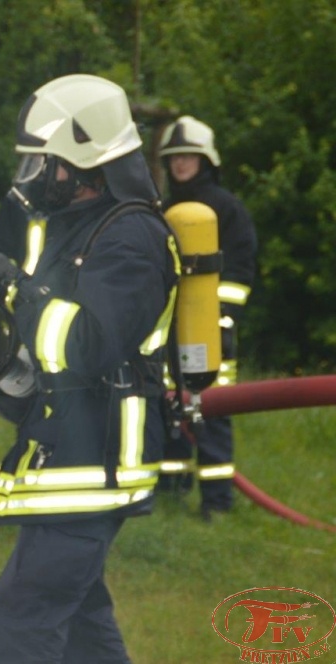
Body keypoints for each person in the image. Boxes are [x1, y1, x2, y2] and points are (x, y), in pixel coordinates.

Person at [0, 73, 180, 663]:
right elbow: (44, 337)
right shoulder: (72, 228)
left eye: (44, 163)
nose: (34, 177)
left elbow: (86, 345)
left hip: (97, 460)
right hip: (71, 450)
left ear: (84, 162)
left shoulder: (131, 236)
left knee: (24, 614)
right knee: (79, 619)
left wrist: (14, 290)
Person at [156, 115, 258, 520]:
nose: (181, 164)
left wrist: (221, 317)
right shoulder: (162, 209)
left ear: (206, 160)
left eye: (189, 156)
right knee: (169, 410)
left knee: (210, 411)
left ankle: (217, 503)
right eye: (175, 157)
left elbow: (241, 268)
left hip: (211, 332)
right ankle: (171, 492)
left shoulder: (225, 208)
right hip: (168, 332)